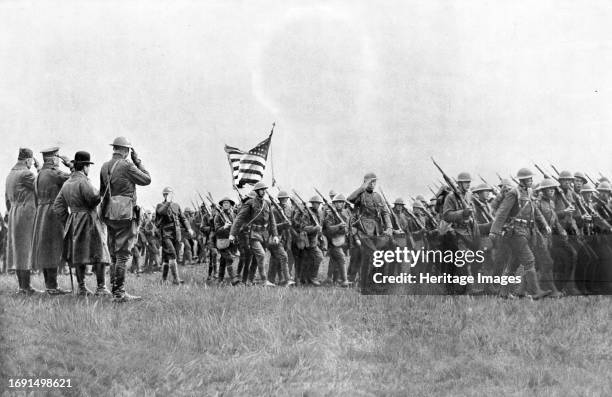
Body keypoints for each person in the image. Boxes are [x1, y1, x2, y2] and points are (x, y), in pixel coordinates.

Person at [53, 151, 111, 296]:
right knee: (99, 252)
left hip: (74, 221)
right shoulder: (84, 181)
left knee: (78, 255)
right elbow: (93, 199)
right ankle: (101, 287)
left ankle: (82, 287)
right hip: (89, 220)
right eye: (88, 166)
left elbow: (57, 206)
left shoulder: (67, 183)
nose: (89, 169)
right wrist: (103, 191)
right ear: (85, 166)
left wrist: (68, 219)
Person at [100, 137, 151, 302]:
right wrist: (138, 162)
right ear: (126, 150)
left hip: (109, 213)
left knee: (114, 254)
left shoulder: (104, 166)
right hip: (125, 213)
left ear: (114, 148)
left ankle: (115, 291)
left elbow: (102, 192)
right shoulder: (127, 165)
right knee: (122, 255)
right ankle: (119, 293)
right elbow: (147, 179)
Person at [489, 168, 551, 299]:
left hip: (527, 231)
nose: (531, 180)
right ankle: (535, 292)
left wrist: (545, 224)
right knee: (530, 260)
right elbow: (502, 212)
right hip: (515, 232)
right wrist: (494, 231)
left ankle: (504, 293)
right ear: (522, 179)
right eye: (529, 178)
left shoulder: (529, 192)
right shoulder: (514, 192)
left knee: (513, 264)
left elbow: (535, 210)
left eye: (531, 178)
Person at [31, 147, 73, 294]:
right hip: (53, 214)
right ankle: (53, 287)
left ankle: (50, 286)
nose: (58, 161)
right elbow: (75, 178)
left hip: (41, 214)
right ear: (54, 159)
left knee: (44, 250)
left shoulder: (40, 174)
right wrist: (71, 165)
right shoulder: (54, 173)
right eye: (57, 158)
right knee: (54, 248)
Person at [347, 172, 393, 293]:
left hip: (376, 230)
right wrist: (362, 187)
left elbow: (385, 212)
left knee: (378, 257)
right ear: (365, 182)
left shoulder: (378, 196)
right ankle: (365, 286)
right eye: (370, 182)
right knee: (371, 256)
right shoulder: (360, 195)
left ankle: (373, 284)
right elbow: (350, 199)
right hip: (362, 230)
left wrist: (389, 227)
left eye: (374, 182)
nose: (373, 184)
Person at [5, 148, 42, 294]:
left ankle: (23, 287)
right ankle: (25, 287)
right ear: (28, 160)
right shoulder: (26, 173)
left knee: (18, 251)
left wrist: (12, 211)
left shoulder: (10, 174)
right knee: (25, 251)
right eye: (31, 160)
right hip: (26, 214)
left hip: (14, 212)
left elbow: (7, 199)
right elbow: (41, 185)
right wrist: (39, 169)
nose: (32, 163)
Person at [229, 182, 279, 287]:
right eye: (262, 189)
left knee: (256, 259)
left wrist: (275, 235)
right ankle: (264, 281)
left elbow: (272, 220)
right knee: (261, 254)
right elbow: (239, 218)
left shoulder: (267, 203)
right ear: (257, 191)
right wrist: (232, 234)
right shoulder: (250, 203)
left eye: (264, 189)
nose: (264, 191)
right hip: (254, 234)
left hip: (264, 234)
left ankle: (249, 281)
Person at [155, 187, 193, 284]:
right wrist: (167, 202)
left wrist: (189, 228)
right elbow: (161, 212)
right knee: (172, 254)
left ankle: (163, 280)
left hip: (176, 234)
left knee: (167, 258)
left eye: (171, 194)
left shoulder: (176, 205)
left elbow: (183, 218)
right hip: (166, 234)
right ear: (164, 195)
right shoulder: (160, 205)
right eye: (167, 194)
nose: (170, 196)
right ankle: (176, 279)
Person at [323, 194, 351, 287]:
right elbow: (328, 229)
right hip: (333, 241)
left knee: (334, 260)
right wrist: (339, 226)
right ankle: (344, 281)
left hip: (343, 240)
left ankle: (331, 279)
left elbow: (348, 227)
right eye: (337, 202)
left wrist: (345, 230)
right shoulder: (330, 214)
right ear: (334, 204)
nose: (339, 204)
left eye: (341, 202)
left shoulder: (346, 213)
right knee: (342, 258)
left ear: (344, 203)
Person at [212, 197, 241, 285]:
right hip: (222, 241)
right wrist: (224, 227)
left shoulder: (233, 215)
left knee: (223, 261)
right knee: (229, 259)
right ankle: (233, 279)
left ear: (230, 205)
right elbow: (216, 230)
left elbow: (236, 226)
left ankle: (220, 279)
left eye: (227, 203)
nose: (225, 204)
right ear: (222, 205)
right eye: (224, 203)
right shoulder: (218, 216)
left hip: (231, 241)